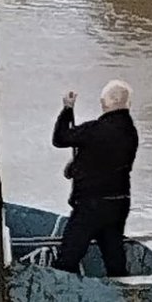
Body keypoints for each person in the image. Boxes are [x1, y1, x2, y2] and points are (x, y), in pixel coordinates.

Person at [51, 79, 138, 277]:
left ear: (106, 102)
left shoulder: (95, 130)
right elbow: (105, 160)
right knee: (114, 258)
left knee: (68, 258)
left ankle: (60, 297)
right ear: (127, 103)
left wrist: (67, 109)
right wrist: (76, 166)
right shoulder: (131, 133)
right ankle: (122, 296)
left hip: (91, 205)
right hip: (119, 202)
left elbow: (61, 138)